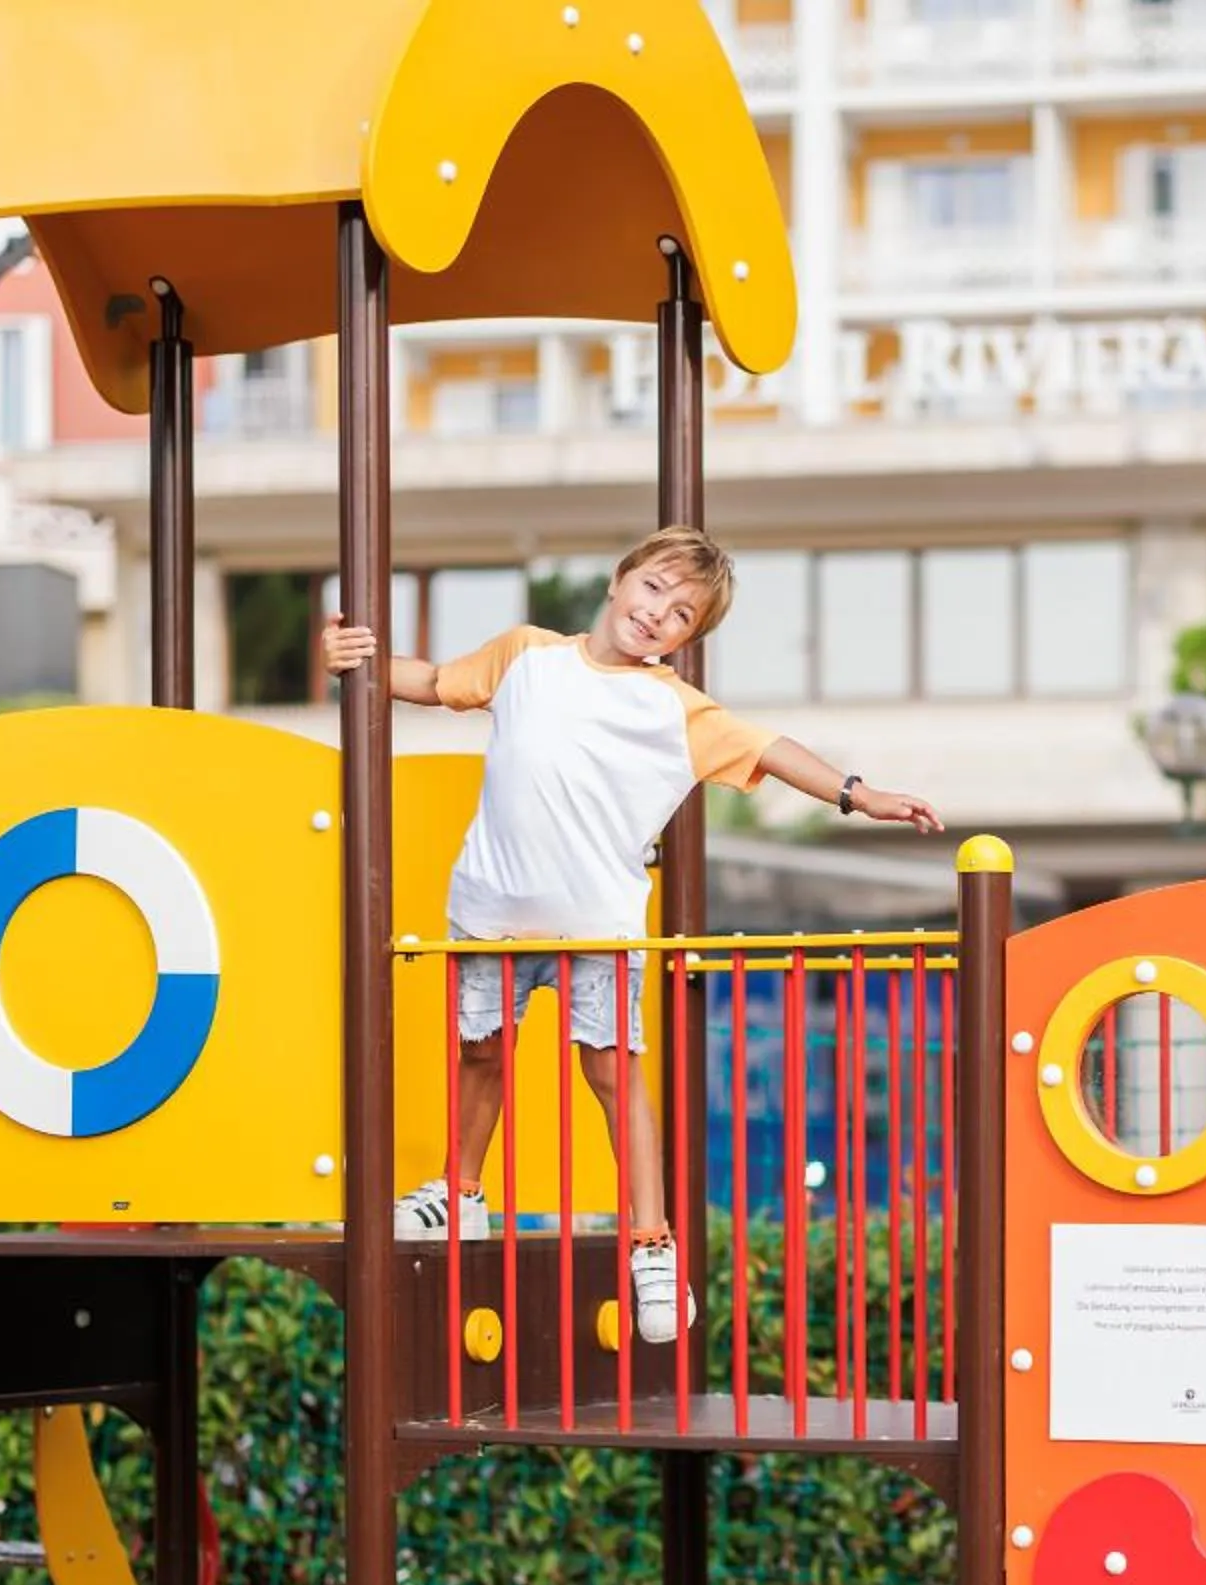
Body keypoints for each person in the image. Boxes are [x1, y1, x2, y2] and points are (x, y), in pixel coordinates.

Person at [317, 526, 944, 1344]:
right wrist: (353, 662)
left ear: (686, 640)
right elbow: (435, 681)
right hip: (492, 912)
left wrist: (859, 794)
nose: (657, 615)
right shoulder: (525, 656)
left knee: (615, 1075)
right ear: (620, 582)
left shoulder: (674, 710)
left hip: (598, 929)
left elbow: (772, 749)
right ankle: (459, 1193)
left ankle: (651, 1239)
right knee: (481, 1054)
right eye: (653, 590)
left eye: (681, 614)